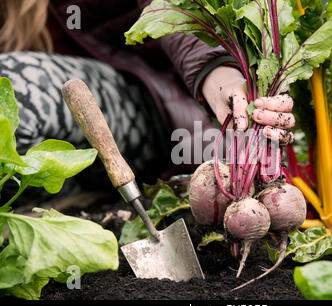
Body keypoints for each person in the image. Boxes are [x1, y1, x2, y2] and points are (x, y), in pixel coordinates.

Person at [0, 0, 296, 194]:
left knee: (8, 87)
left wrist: (217, 72)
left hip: (166, 120)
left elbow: (169, 6)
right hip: (70, 150)